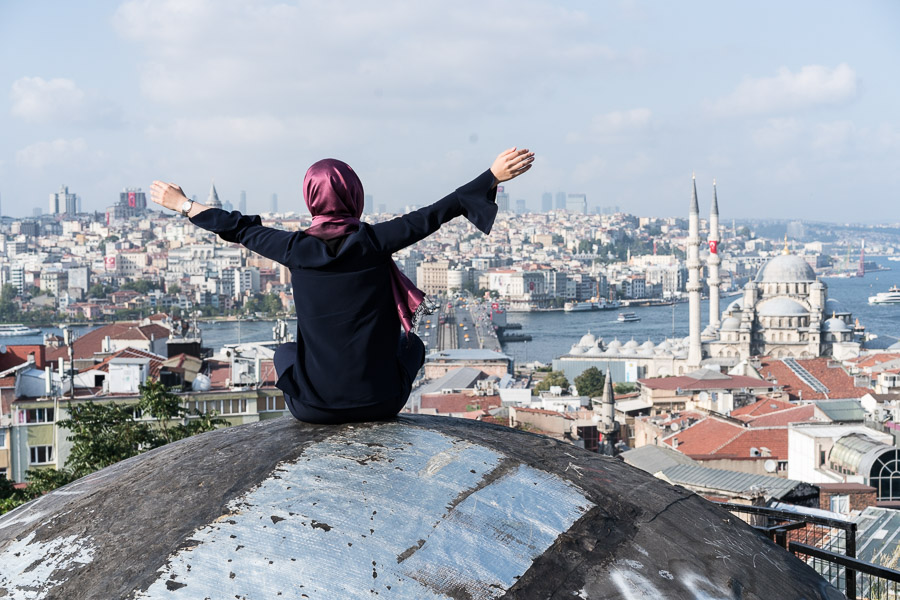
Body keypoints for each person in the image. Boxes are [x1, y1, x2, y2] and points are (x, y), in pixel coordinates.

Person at [151, 147, 534, 424]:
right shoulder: (375, 241)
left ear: (310, 198)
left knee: (285, 351)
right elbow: (436, 213)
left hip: (313, 409)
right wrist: (491, 176)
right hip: (382, 403)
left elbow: (237, 228)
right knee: (412, 344)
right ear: (355, 194)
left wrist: (183, 204)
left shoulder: (294, 249)